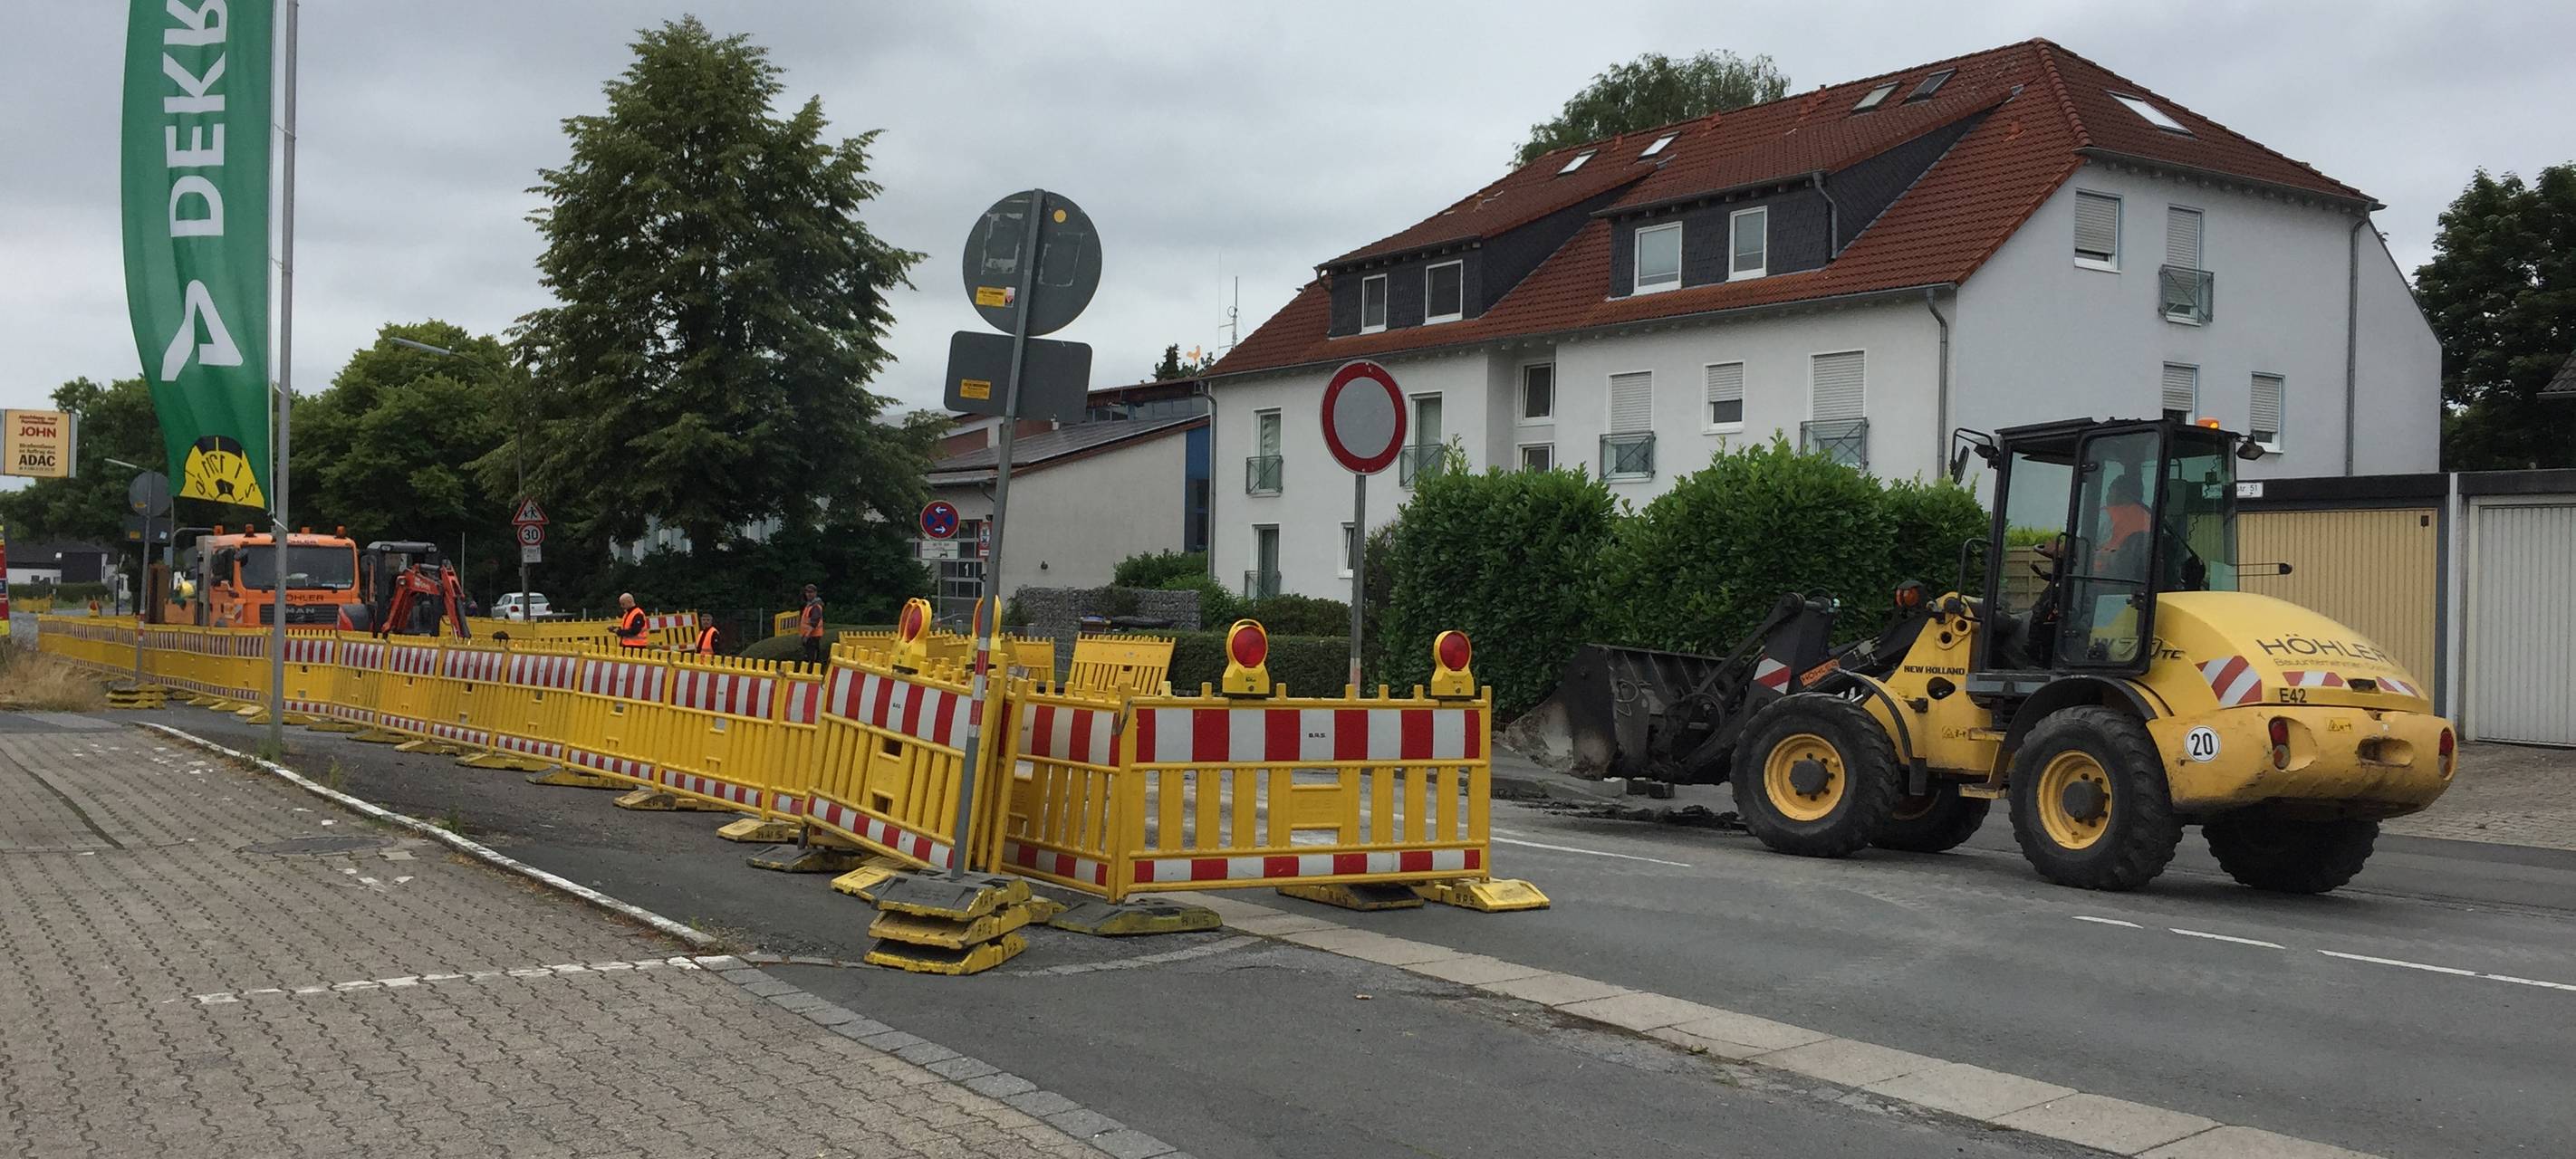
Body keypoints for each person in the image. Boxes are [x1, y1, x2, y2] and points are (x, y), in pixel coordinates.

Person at [797, 583, 826, 666]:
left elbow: (814, 622)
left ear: (815, 593)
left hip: (812, 636)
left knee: (812, 658)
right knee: (810, 657)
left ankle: (812, 674)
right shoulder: (809, 605)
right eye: (807, 592)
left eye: (811, 592)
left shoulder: (815, 606)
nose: (809, 594)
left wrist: (807, 635)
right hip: (809, 636)